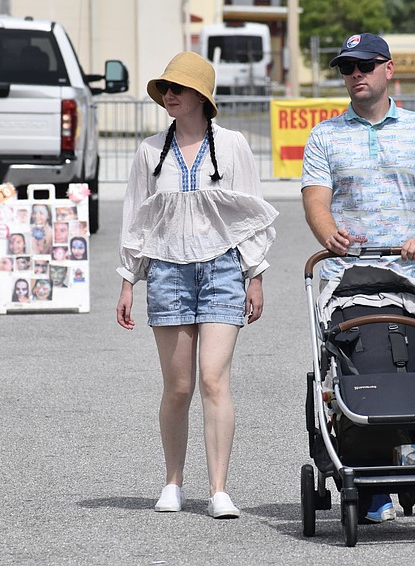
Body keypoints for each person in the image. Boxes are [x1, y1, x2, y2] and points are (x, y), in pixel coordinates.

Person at [115, 51, 278, 519]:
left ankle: (219, 489)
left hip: (223, 268)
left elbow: (249, 215)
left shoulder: (232, 145)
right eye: (166, 87)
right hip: (166, 269)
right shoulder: (149, 151)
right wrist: (129, 279)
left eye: (179, 88)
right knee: (178, 386)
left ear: (201, 96)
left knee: (213, 378)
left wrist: (255, 275)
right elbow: (136, 218)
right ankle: (172, 482)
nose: (170, 94)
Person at [301, 33, 415, 524]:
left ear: (389, 69)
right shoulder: (325, 135)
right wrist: (328, 235)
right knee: (353, 376)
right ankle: (368, 485)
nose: (356, 74)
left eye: (366, 64)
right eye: (347, 67)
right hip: (347, 280)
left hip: (411, 279)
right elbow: (316, 199)